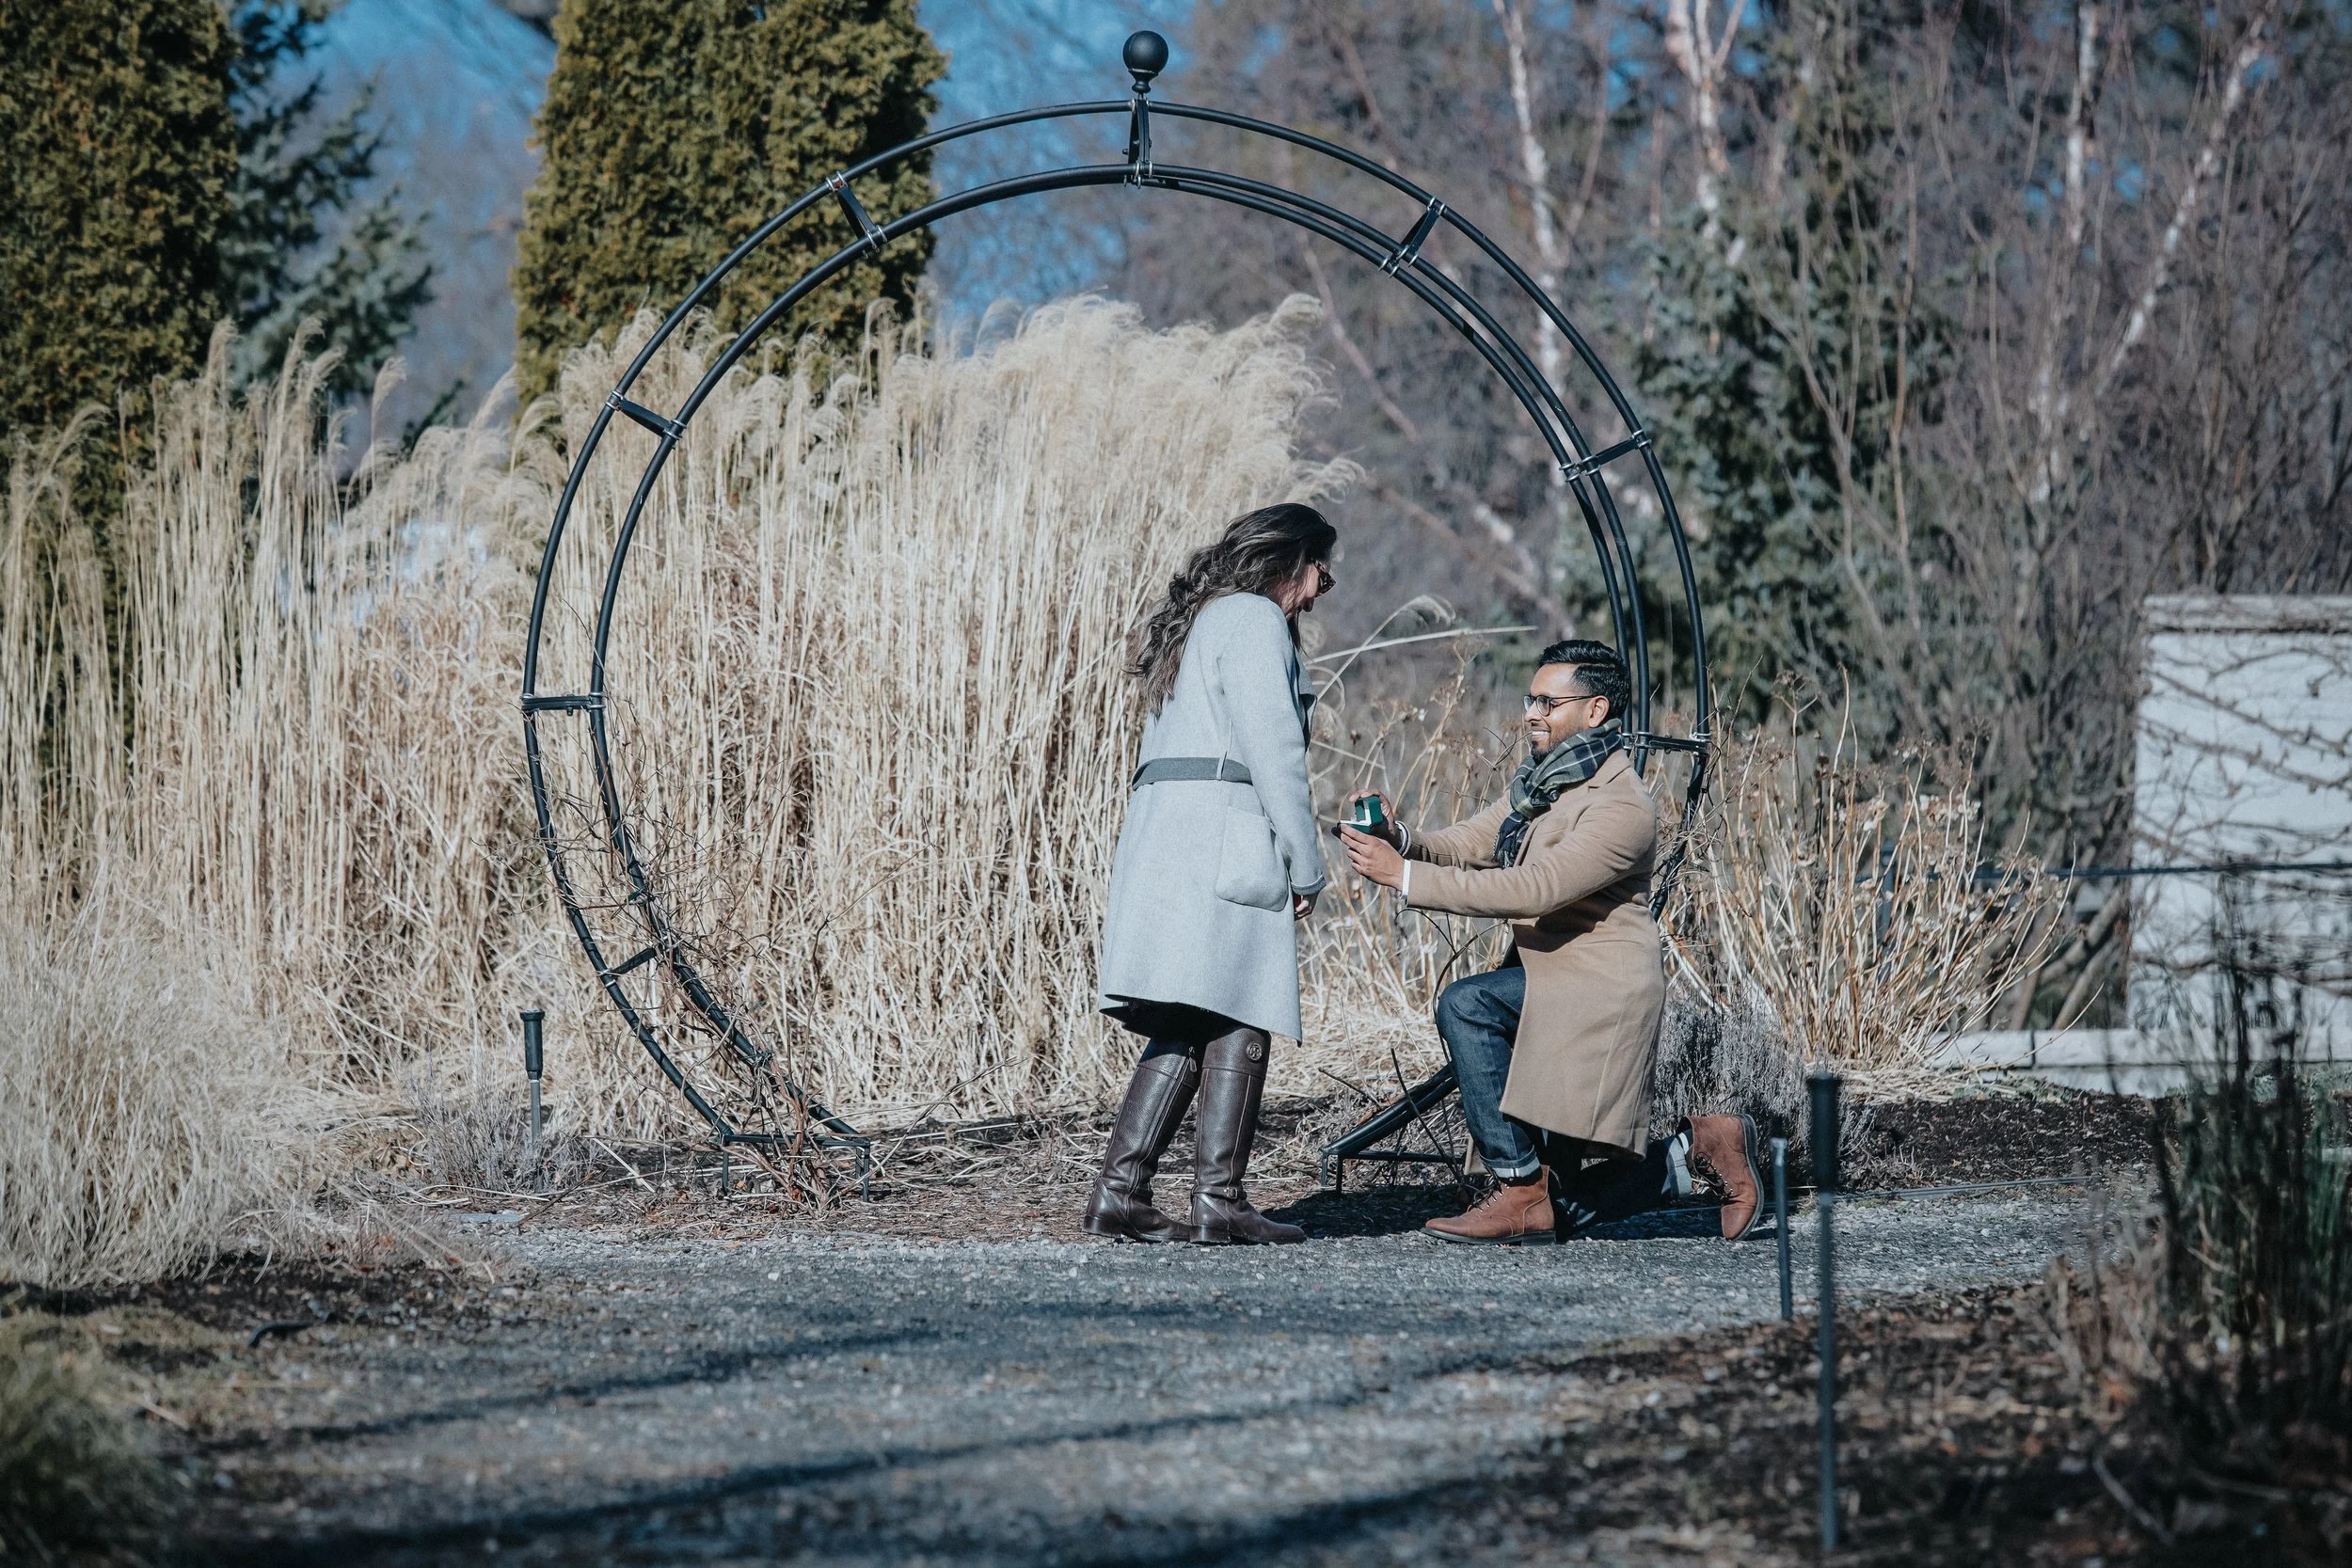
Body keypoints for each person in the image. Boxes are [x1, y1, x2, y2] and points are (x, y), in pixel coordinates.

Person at [1338, 640, 1761, 1245]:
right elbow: (1471, 840)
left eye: (1548, 702)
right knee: (1560, 1200)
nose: (1532, 713)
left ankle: (1517, 1185)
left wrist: (1402, 877)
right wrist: (1400, 837)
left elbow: (1537, 889)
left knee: (1468, 1003)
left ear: (1594, 711)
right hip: (1548, 979)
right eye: (1530, 698)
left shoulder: (1622, 805)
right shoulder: (1545, 786)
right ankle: (1692, 1152)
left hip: (1595, 990)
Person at [1085, 503, 1338, 1246]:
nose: (1325, 586)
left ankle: (1122, 1191)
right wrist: (1306, 859)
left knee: (1195, 1012)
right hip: (1224, 829)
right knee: (1235, 1004)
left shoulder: (1200, 618)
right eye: (1324, 567)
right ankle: (1216, 1199)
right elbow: (1275, 752)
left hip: (1171, 830)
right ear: (1292, 560)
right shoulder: (1255, 620)